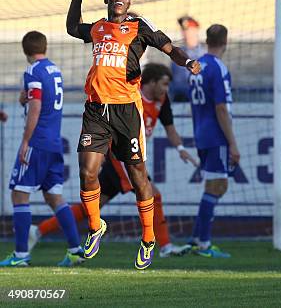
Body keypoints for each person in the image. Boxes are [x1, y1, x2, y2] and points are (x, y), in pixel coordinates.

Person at [66, 0, 201, 270]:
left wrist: (187, 62)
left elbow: (169, 48)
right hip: (96, 109)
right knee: (87, 172)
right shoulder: (98, 28)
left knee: (140, 177)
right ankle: (95, 226)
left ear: (129, 2)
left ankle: (149, 238)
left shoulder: (140, 28)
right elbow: (72, 28)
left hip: (126, 111)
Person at [29, 63, 198, 258]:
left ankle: (38, 230)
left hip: (130, 156)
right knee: (153, 194)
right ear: (150, 82)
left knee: (90, 207)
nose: (166, 89)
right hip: (121, 157)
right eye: (164, 84)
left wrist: (180, 148)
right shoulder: (128, 94)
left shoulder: (162, 100)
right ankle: (166, 247)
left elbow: (170, 127)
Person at [0, 31, 83, 267]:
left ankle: (20, 255)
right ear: (44, 47)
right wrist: (24, 99)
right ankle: (76, 250)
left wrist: (26, 141)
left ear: (25, 50)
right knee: (54, 196)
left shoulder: (32, 71)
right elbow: (40, 98)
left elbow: (36, 105)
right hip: (54, 142)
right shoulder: (54, 70)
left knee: (19, 193)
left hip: (37, 142)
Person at [188, 24, 238, 258]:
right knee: (219, 186)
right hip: (217, 135)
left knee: (212, 186)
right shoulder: (217, 67)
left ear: (207, 40)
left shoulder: (197, 66)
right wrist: (233, 142)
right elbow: (220, 107)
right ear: (225, 41)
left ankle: (197, 239)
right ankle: (204, 244)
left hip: (201, 132)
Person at [170, 16, 206, 102]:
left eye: (189, 30)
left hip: (199, 99)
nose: (185, 33)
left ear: (196, 30)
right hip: (178, 99)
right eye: (183, 30)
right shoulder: (177, 52)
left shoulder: (204, 54)